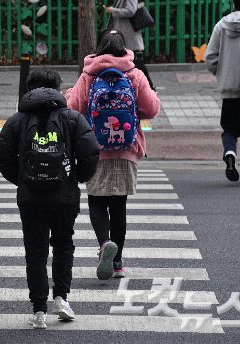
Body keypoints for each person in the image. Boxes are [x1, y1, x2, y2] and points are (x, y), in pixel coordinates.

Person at [0, 69, 100, 329]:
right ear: (57, 88)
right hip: (64, 196)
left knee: (36, 251)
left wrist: (22, 179)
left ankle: (38, 309)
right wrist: (74, 179)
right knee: (64, 245)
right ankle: (62, 298)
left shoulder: (17, 120)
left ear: (29, 89)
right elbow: (90, 153)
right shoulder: (72, 118)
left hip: (30, 198)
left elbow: (2, 156)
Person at [65, 30, 160, 280]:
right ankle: (117, 262)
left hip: (94, 149)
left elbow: (73, 108)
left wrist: (68, 95)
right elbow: (151, 109)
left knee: (96, 201)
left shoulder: (89, 74)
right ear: (123, 48)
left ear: (99, 48)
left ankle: (105, 243)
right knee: (119, 206)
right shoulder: (134, 74)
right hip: (126, 149)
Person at [204, 0, 240, 183]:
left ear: (233, 4)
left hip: (230, 85)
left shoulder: (221, 25)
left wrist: (221, 73)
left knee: (230, 128)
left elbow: (210, 57)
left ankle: (230, 151)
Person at [103, 0, 155, 90]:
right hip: (125, 34)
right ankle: (147, 88)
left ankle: (150, 88)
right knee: (134, 63)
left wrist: (113, 10)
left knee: (137, 63)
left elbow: (131, 11)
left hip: (128, 34)